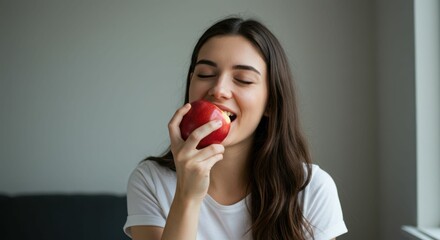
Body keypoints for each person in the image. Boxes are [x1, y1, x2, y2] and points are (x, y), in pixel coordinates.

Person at [123, 17, 347, 240]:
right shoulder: (151, 180)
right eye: (205, 75)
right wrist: (187, 196)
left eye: (243, 79)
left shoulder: (311, 189)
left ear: (271, 102)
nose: (219, 89)